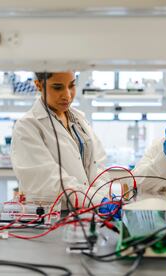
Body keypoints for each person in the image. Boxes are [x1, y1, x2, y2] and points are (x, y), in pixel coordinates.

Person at [11, 72, 119, 215]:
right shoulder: (27, 126)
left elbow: (97, 164)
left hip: (88, 211)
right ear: (38, 85)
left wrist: (103, 195)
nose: (67, 95)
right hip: (54, 216)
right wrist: (98, 201)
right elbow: (50, 181)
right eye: (57, 87)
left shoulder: (78, 118)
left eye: (72, 85)